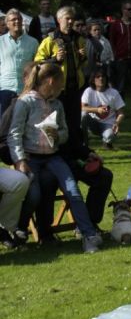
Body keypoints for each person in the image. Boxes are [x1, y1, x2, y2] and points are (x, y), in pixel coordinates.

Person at [8, 63, 103, 253]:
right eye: (61, 84)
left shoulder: (57, 104)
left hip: (53, 158)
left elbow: (65, 132)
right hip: (30, 158)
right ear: (51, 81)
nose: (62, 88)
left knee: (73, 191)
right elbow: (14, 134)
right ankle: (19, 231)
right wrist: (20, 161)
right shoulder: (25, 102)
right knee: (33, 195)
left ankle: (89, 235)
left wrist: (56, 134)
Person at [34, 6, 87, 137]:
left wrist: (82, 57)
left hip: (75, 88)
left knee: (74, 122)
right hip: (57, 90)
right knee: (56, 122)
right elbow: (38, 63)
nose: (70, 21)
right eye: (67, 18)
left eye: (72, 19)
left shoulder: (79, 39)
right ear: (59, 20)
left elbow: (83, 65)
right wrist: (54, 59)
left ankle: (74, 147)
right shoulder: (50, 40)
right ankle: (56, 147)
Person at [108, 1, 131, 116]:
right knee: (121, 86)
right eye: (129, 9)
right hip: (121, 59)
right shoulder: (116, 25)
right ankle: (120, 111)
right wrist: (115, 55)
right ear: (123, 10)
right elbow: (112, 41)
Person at [0, 8, 39, 111]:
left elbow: (36, 66)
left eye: (19, 19)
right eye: (13, 19)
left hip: (25, 90)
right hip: (4, 89)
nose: (17, 21)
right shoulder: (0, 42)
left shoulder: (33, 42)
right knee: (3, 120)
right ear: (7, 24)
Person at [81, 69, 125, 149]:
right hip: (93, 122)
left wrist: (117, 123)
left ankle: (106, 141)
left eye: (103, 76)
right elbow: (82, 107)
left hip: (108, 124)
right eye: (98, 77)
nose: (101, 78)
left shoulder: (114, 92)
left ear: (106, 79)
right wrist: (97, 110)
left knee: (110, 135)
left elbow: (121, 113)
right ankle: (84, 141)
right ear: (93, 80)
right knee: (83, 115)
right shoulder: (88, 91)